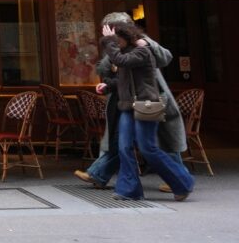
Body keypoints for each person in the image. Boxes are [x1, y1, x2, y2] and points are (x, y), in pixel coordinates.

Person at [74, 12, 184, 192]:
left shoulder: (141, 44)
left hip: (149, 99)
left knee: (159, 142)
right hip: (125, 99)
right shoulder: (118, 44)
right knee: (122, 141)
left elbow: (165, 57)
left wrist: (144, 44)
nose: (109, 33)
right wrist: (108, 81)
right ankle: (105, 176)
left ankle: (179, 179)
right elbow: (106, 67)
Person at [102, 23, 194, 201]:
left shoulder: (142, 51)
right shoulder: (124, 54)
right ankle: (129, 190)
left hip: (145, 104)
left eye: (117, 38)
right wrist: (107, 86)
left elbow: (122, 61)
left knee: (148, 148)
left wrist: (109, 41)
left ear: (125, 37)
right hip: (127, 107)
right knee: (124, 148)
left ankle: (184, 182)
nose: (115, 42)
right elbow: (123, 80)